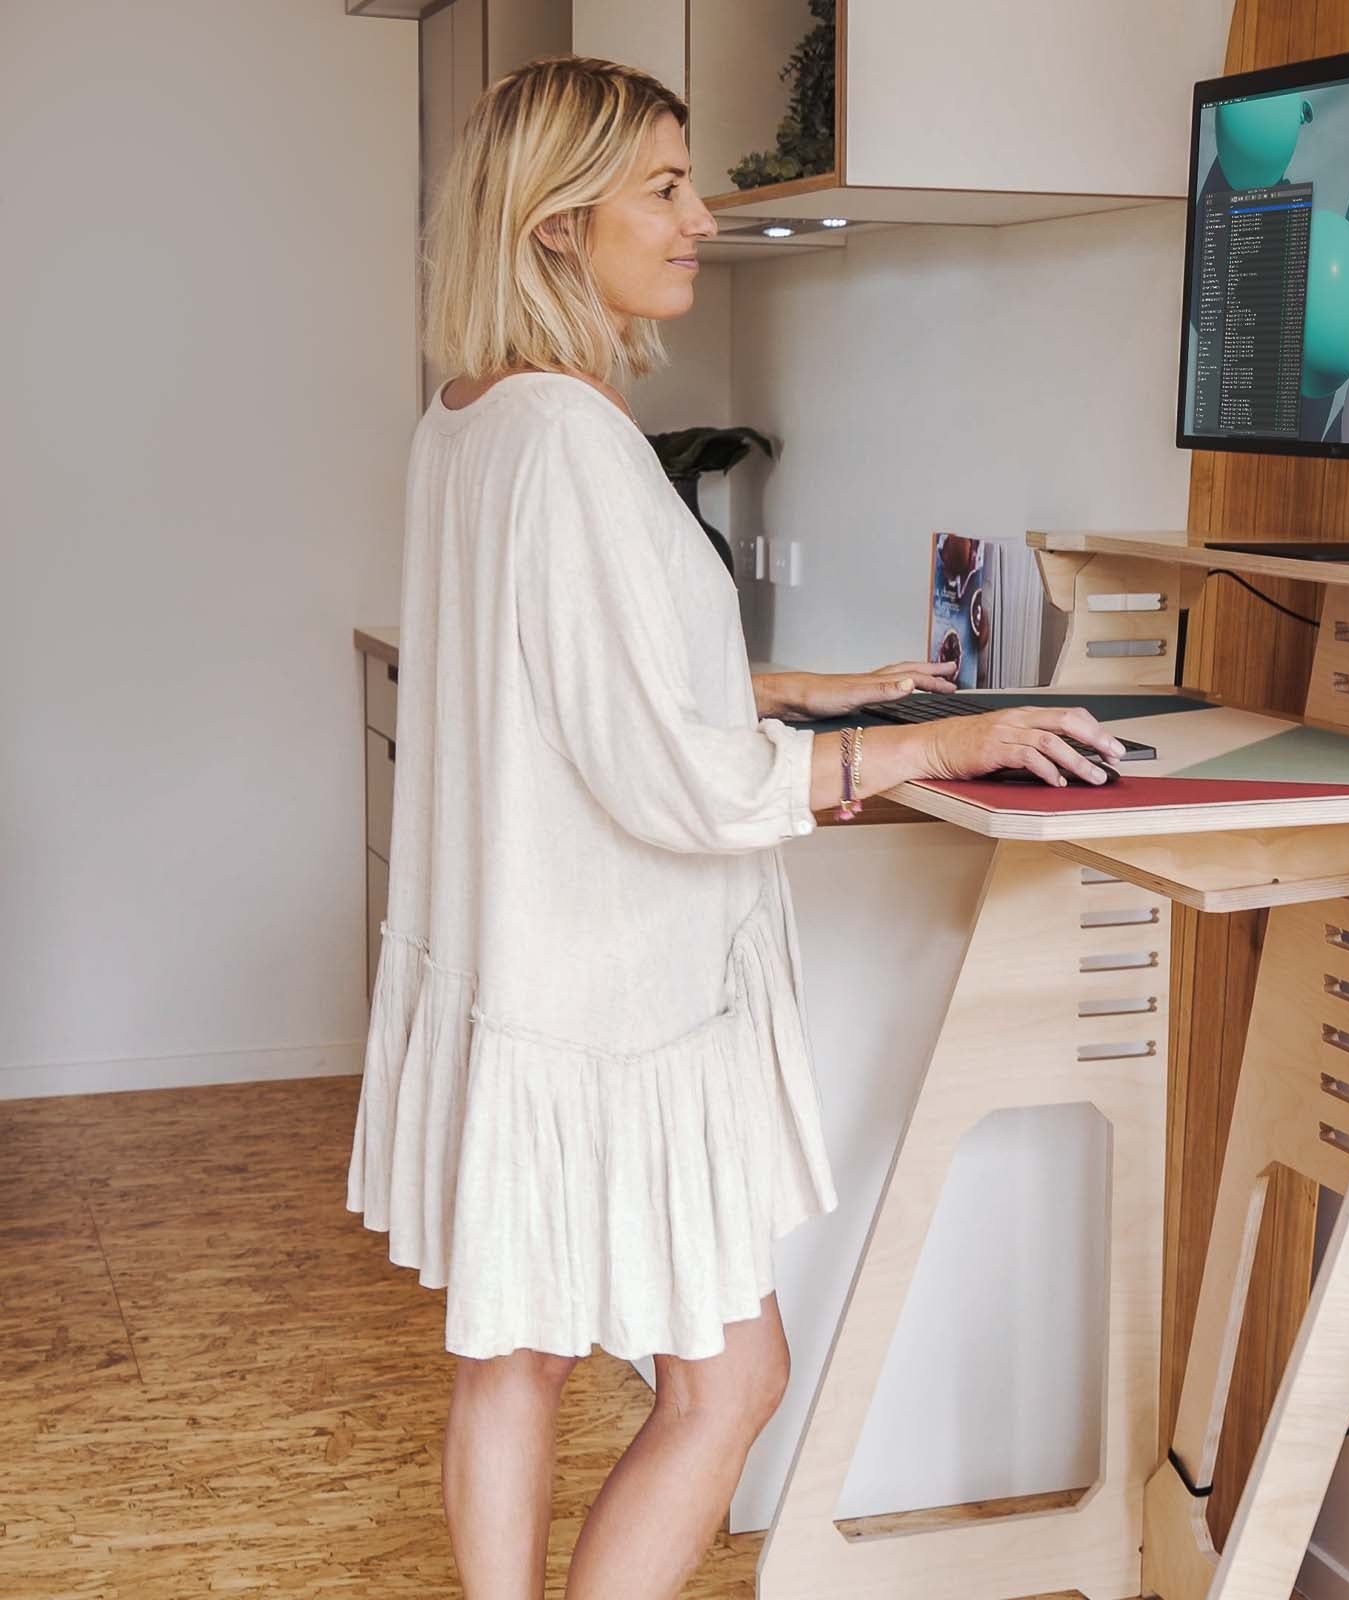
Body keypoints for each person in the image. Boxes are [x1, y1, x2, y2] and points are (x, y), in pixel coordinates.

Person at [344, 53, 1125, 1600]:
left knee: (517, 1361)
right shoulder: (567, 439)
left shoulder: (468, 419)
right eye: (665, 187)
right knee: (729, 1385)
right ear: (558, 226)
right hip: (617, 1012)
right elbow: (677, 781)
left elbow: (561, 682)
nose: (699, 217)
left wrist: (807, 688)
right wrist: (950, 741)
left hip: (526, 993)